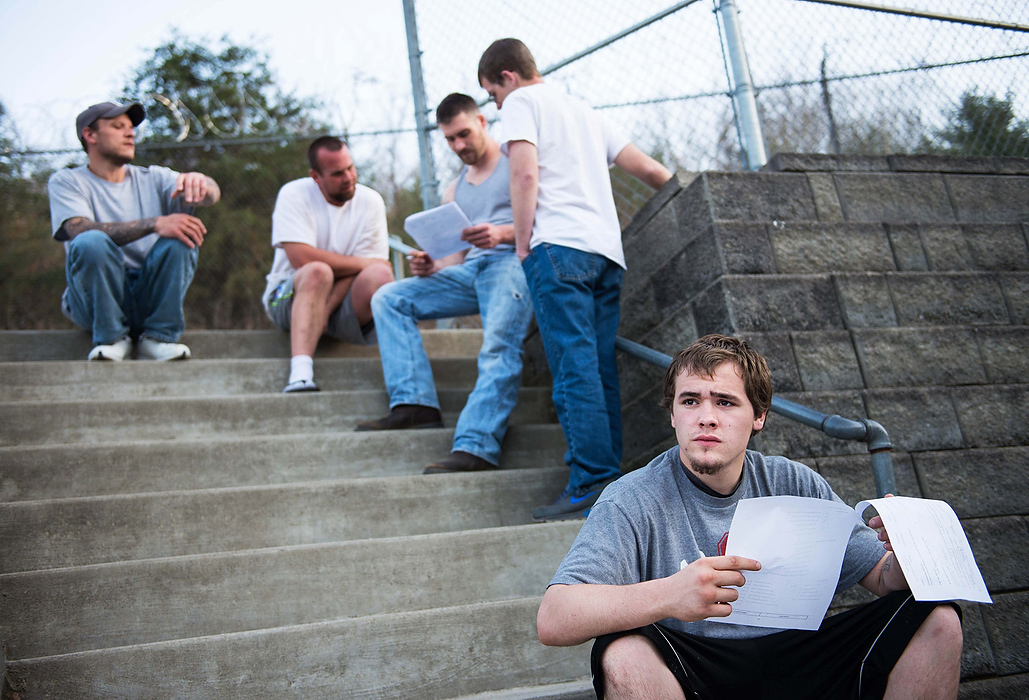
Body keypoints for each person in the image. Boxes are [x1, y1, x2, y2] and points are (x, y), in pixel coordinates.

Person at [536, 334, 965, 700]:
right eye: (690, 401)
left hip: (800, 657)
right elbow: (555, 617)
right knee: (621, 650)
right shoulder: (631, 498)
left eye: (725, 402)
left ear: (758, 417)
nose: (706, 416)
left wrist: (908, 548)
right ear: (672, 415)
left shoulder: (794, 481)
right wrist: (669, 595)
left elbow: (882, 578)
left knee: (937, 616)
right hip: (695, 668)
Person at [478, 38, 674, 520]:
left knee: (573, 366)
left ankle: (590, 481)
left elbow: (524, 177)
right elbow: (650, 170)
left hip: (557, 248)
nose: (496, 105)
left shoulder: (523, 102)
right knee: (599, 365)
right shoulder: (587, 112)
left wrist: (522, 243)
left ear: (507, 76)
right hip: (607, 254)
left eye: (492, 94)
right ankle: (608, 482)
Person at [356, 93, 533, 474]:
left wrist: (501, 234)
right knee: (389, 297)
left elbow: (549, 222)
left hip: (511, 264)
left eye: (464, 134)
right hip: (470, 272)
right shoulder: (455, 188)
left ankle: (476, 445)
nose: (459, 146)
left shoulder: (515, 159)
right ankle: (415, 404)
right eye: (450, 139)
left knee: (498, 346)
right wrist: (430, 264)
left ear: (483, 122)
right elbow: (453, 254)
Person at [48, 101, 221, 361]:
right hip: (93, 301)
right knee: (90, 241)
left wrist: (202, 182)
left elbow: (212, 194)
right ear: (90, 135)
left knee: (182, 237)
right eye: (118, 127)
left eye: (131, 128)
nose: (130, 134)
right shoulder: (68, 181)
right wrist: (155, 223)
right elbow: (78, 228)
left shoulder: (153, 177)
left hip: (147, 296)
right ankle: (111, 337)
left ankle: (159, 338)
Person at [263, 136, 394, 392]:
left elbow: (373, 266)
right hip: (284, 299)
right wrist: (359, 264)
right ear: (315, 176)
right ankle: (300, 373)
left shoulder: (371, 201)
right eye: (337, 173)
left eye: (350, 168)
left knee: (380, 274)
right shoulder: (293, 194)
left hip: (339, 303)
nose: (348, 177)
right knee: (316, 271)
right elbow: (301, 259)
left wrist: (326, 308)